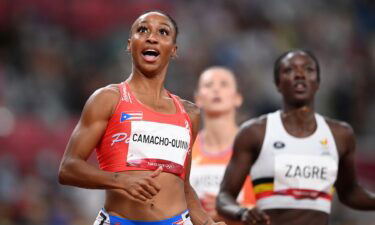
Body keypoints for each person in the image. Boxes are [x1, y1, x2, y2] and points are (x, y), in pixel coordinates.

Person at [58, 10, 225, 225]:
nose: (152, 37)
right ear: (129, 44)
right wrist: (119, 180)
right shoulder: (108, 99)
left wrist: (207, 223)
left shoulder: (189, 114)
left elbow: (182, 185)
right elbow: (68, 168)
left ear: (173, 50)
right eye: (142, 30)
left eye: (163, 32)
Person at [216, 49, 375, 225]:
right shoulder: (255, 133)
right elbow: (224, 196)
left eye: (308, 70)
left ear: (318, 82)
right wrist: (242, 212)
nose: (300, 75)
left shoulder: (340, 135)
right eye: (289, 70)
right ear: (277, 83)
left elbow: (350, 192)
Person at [190, 67, 256, 224]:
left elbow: (275, 210)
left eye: (224, 84)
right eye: (208, 85)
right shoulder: (186, 148)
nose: (216, 89)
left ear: (238, 97)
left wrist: (233, 210)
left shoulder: (256, 149)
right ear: (198, 98)